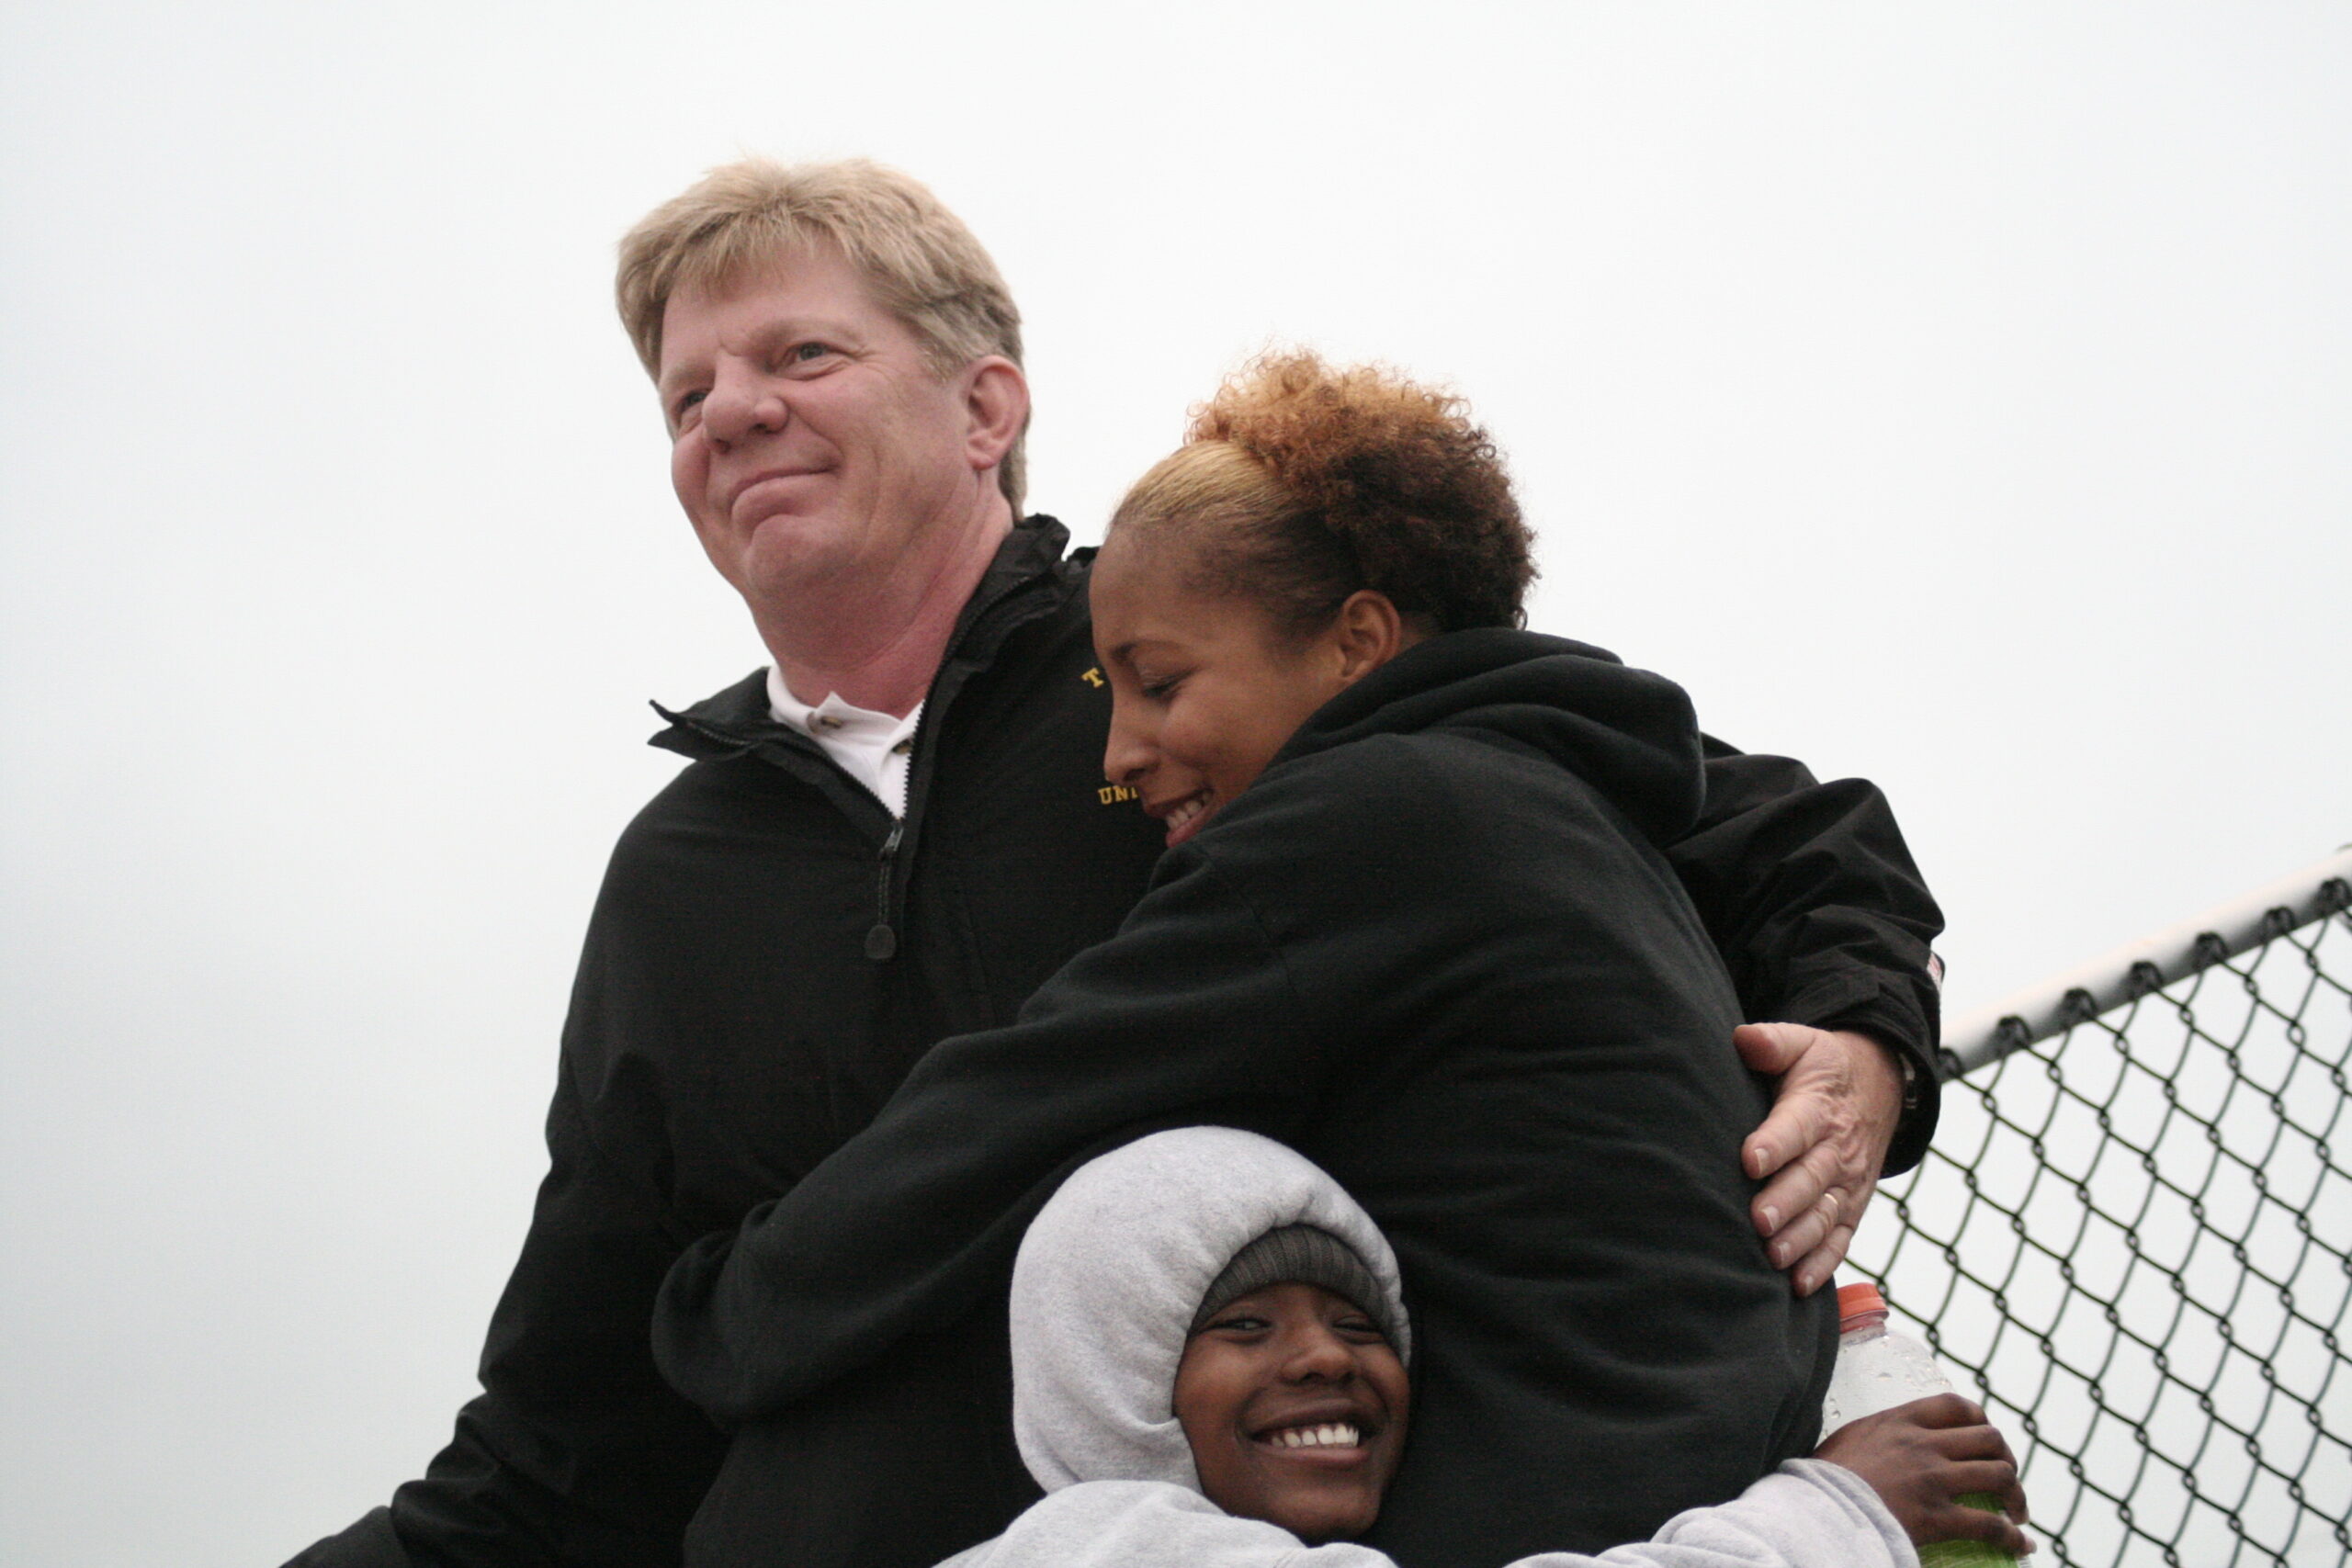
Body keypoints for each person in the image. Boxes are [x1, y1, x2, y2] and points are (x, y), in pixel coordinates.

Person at [288, 160, 1944, 1568]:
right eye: (686, 394)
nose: (736, 413)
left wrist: (1866, 1036)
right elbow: (577, 1422)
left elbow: (1757, 827)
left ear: (985, 405)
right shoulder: (673, 885)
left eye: (799, 351)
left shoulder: (1247, 672)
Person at [648, 352, 1933, 1568]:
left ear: (1357, 643)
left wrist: (727, 1307)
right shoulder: (1560, 785)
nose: (1118, 758)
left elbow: (1015, 1111)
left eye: (1158, 684)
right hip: (1715, 1474)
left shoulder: (1366, 821)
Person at [944, 1125, 2033, 1568]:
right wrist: (1834, 1518)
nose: (1327, 1357)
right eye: (1241, 1325)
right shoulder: (1096, 1547)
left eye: (1361, 1323)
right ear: (1106, 1377)